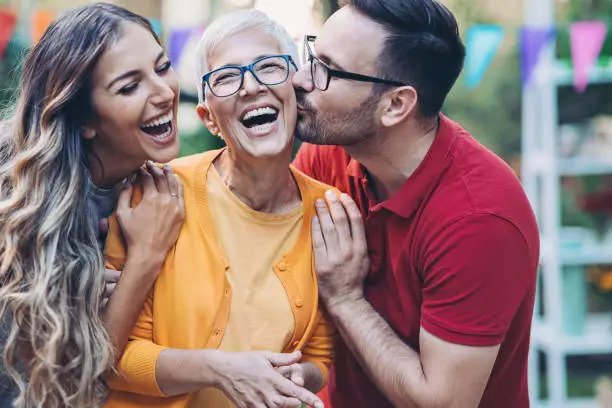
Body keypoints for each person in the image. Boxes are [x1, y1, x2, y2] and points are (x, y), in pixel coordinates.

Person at [291, 1, 540, 408]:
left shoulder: (479, 217)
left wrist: (346, 299)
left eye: (327, 71)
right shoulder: (327, 157)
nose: (300, 79)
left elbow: (442, 402)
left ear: (395, 106)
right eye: (311, 55)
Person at [102, 10, 333, 408]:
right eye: (226, 78)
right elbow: (111, 358)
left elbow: (320, 355)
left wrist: (300, 375)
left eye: (270, 67)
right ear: (208, 118)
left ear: (296, 90)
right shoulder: (157, 194)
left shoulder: (331, 214)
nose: (252, 86)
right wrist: (221, 369)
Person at [0, 3, 185, 407]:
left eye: (162, 66)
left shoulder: (153, 190)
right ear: (84, 119)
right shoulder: (18, 211)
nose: (164, 92)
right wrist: (145, 257)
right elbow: (69, 390)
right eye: (129, 86)